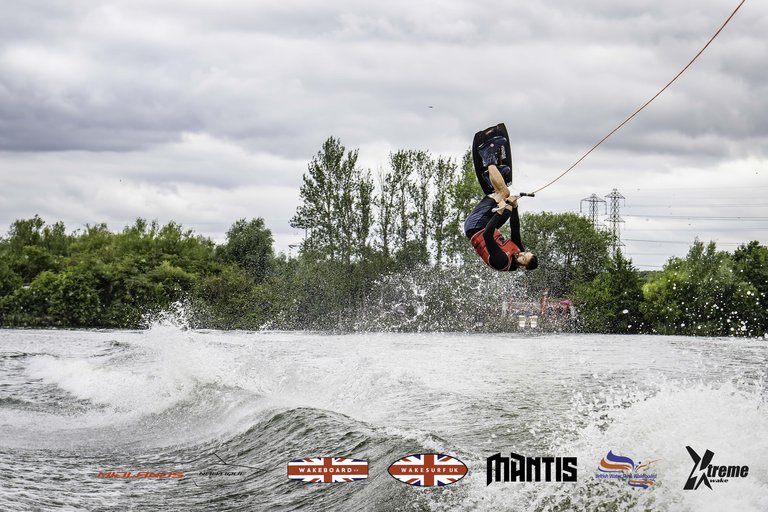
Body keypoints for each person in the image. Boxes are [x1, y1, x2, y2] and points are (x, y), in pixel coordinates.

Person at [463, 123, 538, 272]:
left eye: (523, 257)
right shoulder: (518, 251)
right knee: (509, 204)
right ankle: (491, 178)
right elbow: (515, 227)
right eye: (525, 253)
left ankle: (487, 156)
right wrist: (514, 207)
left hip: (475, 227)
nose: (521, 253)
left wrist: (498, 212)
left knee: (503, 193)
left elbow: (488, 235)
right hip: (487, 224)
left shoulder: (502, 261)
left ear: (522, 266)